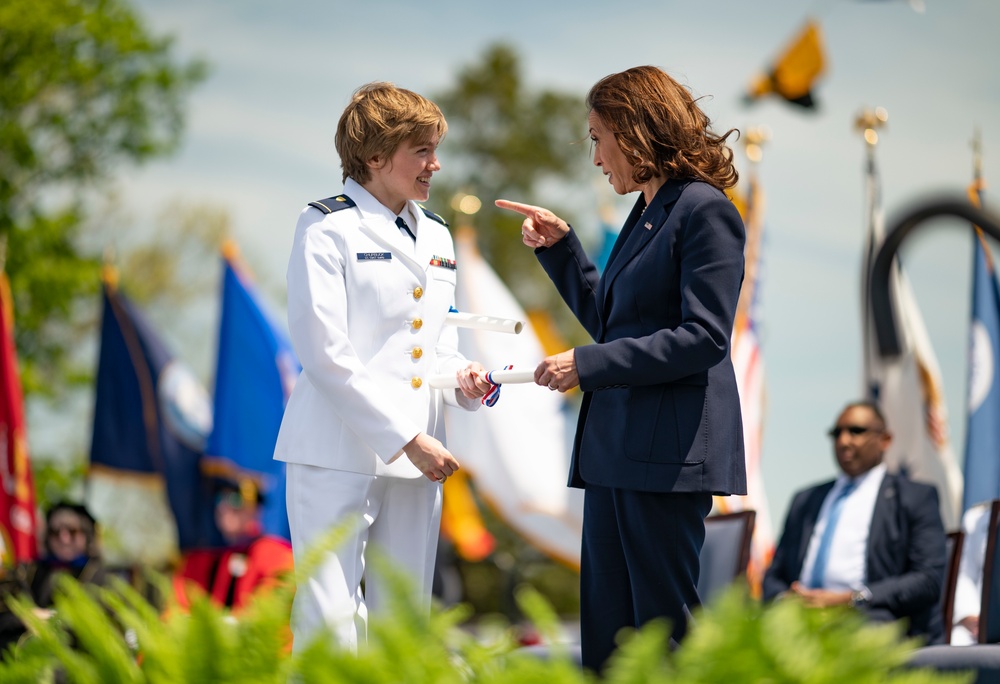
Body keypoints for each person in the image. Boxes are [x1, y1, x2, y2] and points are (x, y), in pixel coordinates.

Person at [496, 65, 747, 671]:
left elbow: (704, 337)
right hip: (617, 456)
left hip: (664, 459)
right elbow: (617, 324)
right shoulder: (647, 211)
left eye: (595, 137)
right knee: (608, 645)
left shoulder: (703, 210)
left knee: (662, 639)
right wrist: (562, 251)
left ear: (633, 130)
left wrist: (586, 364)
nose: (596, 158)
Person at [273, 82, 491, 652]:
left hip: (420, 455)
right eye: (421, 150)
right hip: (336, 447)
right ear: (375, 156)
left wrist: (464, 378)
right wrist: (404, 438)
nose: (435, 165)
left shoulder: (437, 234)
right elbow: (324, 350)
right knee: (330, 621)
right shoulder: (325, 227)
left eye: (434, 149)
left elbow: (430, 343)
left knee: (405, 626)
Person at [762, 401, 947, 643]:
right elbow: (774, 575)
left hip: (871, 618)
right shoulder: (806, 500)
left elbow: (927, 579)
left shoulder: (914, 497)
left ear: (885, 440)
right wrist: (785, 599)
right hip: (800, 618)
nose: (843, 441)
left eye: (856, 431)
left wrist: (852, 599)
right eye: (836, 433)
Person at [173, 478, 293, 613]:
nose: (224, 507)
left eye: (235, 499)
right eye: (220, 498)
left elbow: (272, 613)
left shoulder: (273, 554)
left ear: (255, 510)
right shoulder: (201, 559)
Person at [0, 502, 108, 651]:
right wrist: (26, 617)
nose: (64, 538)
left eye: (72, 531)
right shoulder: (29, 573)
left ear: (86, 534)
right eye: (55, 532)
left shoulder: (104, 580)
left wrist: (57, 620)